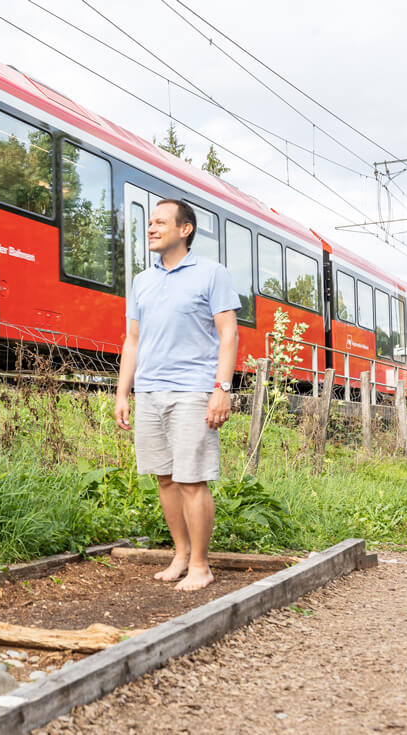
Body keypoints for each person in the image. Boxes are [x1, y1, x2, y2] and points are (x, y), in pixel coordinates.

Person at [114, 199, 240, 591]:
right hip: (150, 390)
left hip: (193, 390)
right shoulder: (141, 280)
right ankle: (181, 554)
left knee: (192, 480)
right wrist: (123, 393)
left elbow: (228, 334)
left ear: (184, 230)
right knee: (165, 479)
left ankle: (201, 565)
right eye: (149, 222)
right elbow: (132, 340)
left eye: (160, 222)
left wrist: (222, 389)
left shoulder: (211, 273)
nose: (150, 228)